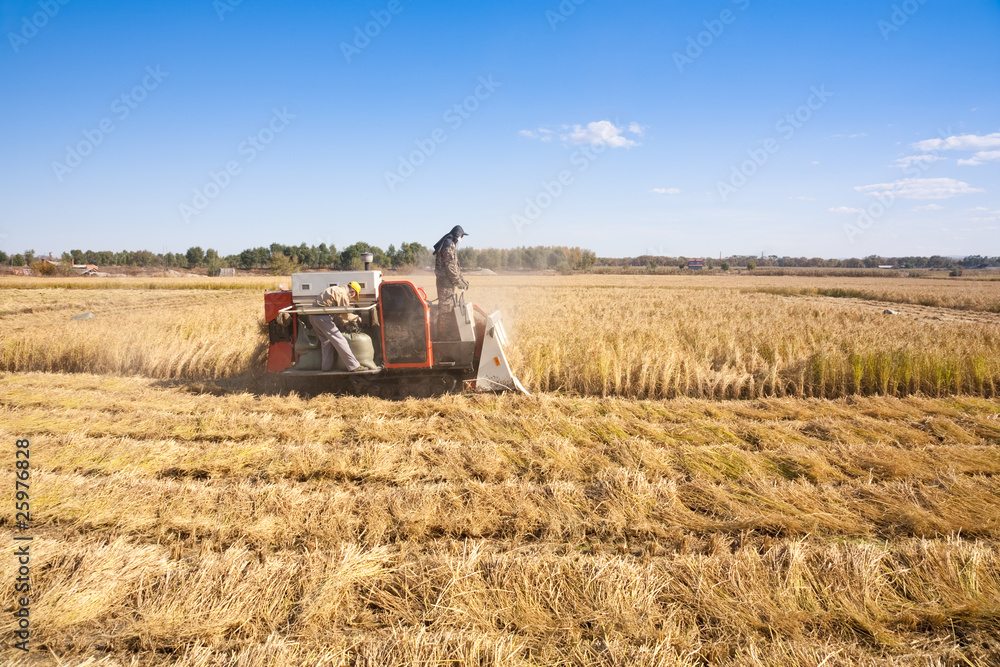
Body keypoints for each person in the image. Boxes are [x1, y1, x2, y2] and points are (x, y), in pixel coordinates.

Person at [309, 281, 363, 372]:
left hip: (313, 317)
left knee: (326, 342)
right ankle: (354, 366)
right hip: (322, 317)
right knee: (341, 340)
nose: (352, 296)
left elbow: (340, 313)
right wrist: (356, 318)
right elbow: (344, 314)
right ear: (352, 291)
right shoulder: (342, 293)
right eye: (354, 294)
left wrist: (345, 321)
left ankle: (326, 368)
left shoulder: (336, 290)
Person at [432, 225, 469, 339]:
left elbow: (456, 267)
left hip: (448, 283)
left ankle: (447, 334)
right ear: (458, 235)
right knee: (445, 310)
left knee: (450, 308)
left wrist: (463, 280)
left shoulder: (451, 244)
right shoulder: (448, 245)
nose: (461, 238)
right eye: (462, 236)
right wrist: (459, 282)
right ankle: (443, 337)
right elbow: (450, 268)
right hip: (445, 283)